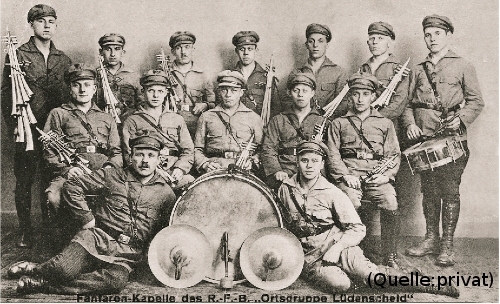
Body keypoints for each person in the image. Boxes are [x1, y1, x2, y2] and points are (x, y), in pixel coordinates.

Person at [277, 141, 458, 297]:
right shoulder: (285, 189)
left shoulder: (332, 192)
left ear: (322, 163)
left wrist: (338, 247)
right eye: (304, 160)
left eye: (315, 161)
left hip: (337, 244)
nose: (309, 166)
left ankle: (426, 284)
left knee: (371, 277)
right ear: (297, 161)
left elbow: (357, 228)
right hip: (309, 255)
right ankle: (364, 276)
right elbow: (277, 224)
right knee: (340, 285)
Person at [7, 134, 176, 295]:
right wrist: (87, 218)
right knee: (63, 269)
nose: (145, 161)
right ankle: (35, 269)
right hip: (96, 240)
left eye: (151, 155)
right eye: (139, 154)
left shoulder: (166, 194)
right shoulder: (111, 175)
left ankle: (44, 285)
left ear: (159, 159)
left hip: (127, 255)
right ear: (130, 156)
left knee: (115, 282)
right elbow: (72, 186)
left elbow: (167, 232)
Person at [403, 15, 484, 266]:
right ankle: (430, 238)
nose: (432, 39)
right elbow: (405, 104)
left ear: (448, 35)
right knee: (428, 191)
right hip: (424, 141)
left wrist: (460, 120)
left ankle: (447, 245)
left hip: (452, 141)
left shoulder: (462, 65)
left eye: (437, 33)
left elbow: (476, 102)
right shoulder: (417, 69)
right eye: (428, 34)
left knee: (449, 191)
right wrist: (410, 124)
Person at [0, 4, 72, 247]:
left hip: (55, 129)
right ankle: (25, 231)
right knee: (25, 179)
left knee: (51, 177)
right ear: (31, 24)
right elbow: (7, 92)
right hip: (27, 128)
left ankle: (50, 230)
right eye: (41, 21)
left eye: (51, 21)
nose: (47, 25)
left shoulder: (63, 59)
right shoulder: (18, 54)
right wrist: (16, 125)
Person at [326, 73, 401, 268]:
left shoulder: (385, 124)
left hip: (376, 176)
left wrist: (385, 176)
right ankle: (353, 253)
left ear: (373, 96)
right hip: (349, 176)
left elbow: (393, 154)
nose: (360, 99)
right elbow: (333, 154)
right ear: (350, 96)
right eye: (356, 94)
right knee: (350, 201)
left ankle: (390, 255)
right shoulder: (338, 123)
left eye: (365, 94)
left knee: (389, 200)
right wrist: (345, 175)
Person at [43, 64, 122, 231]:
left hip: (102, 172)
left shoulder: (106, 117)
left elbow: (116, 152)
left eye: (87, 85)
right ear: (70, 88)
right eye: (76, 84)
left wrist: (109, 169)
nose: (82, 90)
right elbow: (49, 151)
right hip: (72, 171)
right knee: (54, 196)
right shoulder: (59, 114)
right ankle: (65, 241)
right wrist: (66, 170)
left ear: (94, 89)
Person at [122, 69, 195, 190]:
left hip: (173, 172)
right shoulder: (133, 121)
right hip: (144, 173)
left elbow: (188, 150)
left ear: (166, 92)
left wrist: (180, 168)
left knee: (191, 184)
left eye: (160, 91)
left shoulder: (177, 119)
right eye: (151, 91)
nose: (156, 96)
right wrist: (152, 171)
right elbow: (128, 154)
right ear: (143, 92)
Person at [261, 71, 324, 189]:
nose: (300, 95)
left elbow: (327, 154)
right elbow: (268, 149)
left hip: (312, 172)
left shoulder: (322, 122)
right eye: (296, 90)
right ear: (289, 93)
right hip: (284, 172)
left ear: (312, 93)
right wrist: (277, 171)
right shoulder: (278, 120)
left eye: (305, 91)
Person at [194, 70, 262, 173]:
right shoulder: (206, 117)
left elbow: (263, 149)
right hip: (215, 168)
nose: (228, 95)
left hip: (242, 168)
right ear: (218, 91)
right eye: (224, 90)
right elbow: (196, 149)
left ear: (241, 92)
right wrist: (205, 163)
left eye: (234, 90)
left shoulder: (253, 118)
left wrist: (253, 161)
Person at [360, 21, 411, 135]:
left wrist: (374, 119)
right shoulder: (363, 69)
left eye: (380, 38)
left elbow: (399, 102)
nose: (375, 42)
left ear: (390, 42)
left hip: (388, 127)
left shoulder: (398, 69)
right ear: (368, 42)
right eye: (372, 38)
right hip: (362, 125)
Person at [169, 31, 216, 136]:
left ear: (193, 49)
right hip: (171, 123)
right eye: (178, 48)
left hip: (196, 123)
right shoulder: (165, 74)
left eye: (187, 47)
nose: (183, 52)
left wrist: (205, 105)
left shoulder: (203, 75)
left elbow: (213, 102)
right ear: (172, 52)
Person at [297, 23, 349, 118]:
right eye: (311, 41)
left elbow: (343, 106)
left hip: (327, 126)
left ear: (327, 45)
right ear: (306, 45)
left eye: (320, 41)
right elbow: (289, 104)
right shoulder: (297, 73)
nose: (315, 45)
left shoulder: (339, 73)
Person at [231, 30, 281, 117]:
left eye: (250, 49)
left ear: (256, 50)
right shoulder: (230, 77)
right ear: (236, 51)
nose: (246, 53)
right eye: (242, 49)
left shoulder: (266, 77)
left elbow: (276, 109)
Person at [96, 33, 141, 122]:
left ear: (123, 52)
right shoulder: (94, 76)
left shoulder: (133, 76)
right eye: (108, 49)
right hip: (101, 123)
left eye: (117, 49)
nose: (113, 54)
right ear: (101, 52)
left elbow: (142, 104)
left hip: (129, 123)